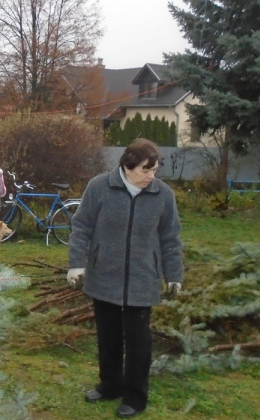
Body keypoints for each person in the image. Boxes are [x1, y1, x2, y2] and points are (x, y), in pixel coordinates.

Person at [66, 138, 183, 418]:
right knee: (108, 337)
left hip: (143, 278)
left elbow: (170, 238)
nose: (151, 176)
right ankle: (110, 385)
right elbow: (81, 226)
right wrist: (76, 264)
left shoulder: (163, 195)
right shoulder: (99, 187)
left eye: (154, 170)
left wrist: (174, 275)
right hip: (104, 275)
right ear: (127, 167)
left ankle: (134, 396)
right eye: (146, 170)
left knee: (139, 342)